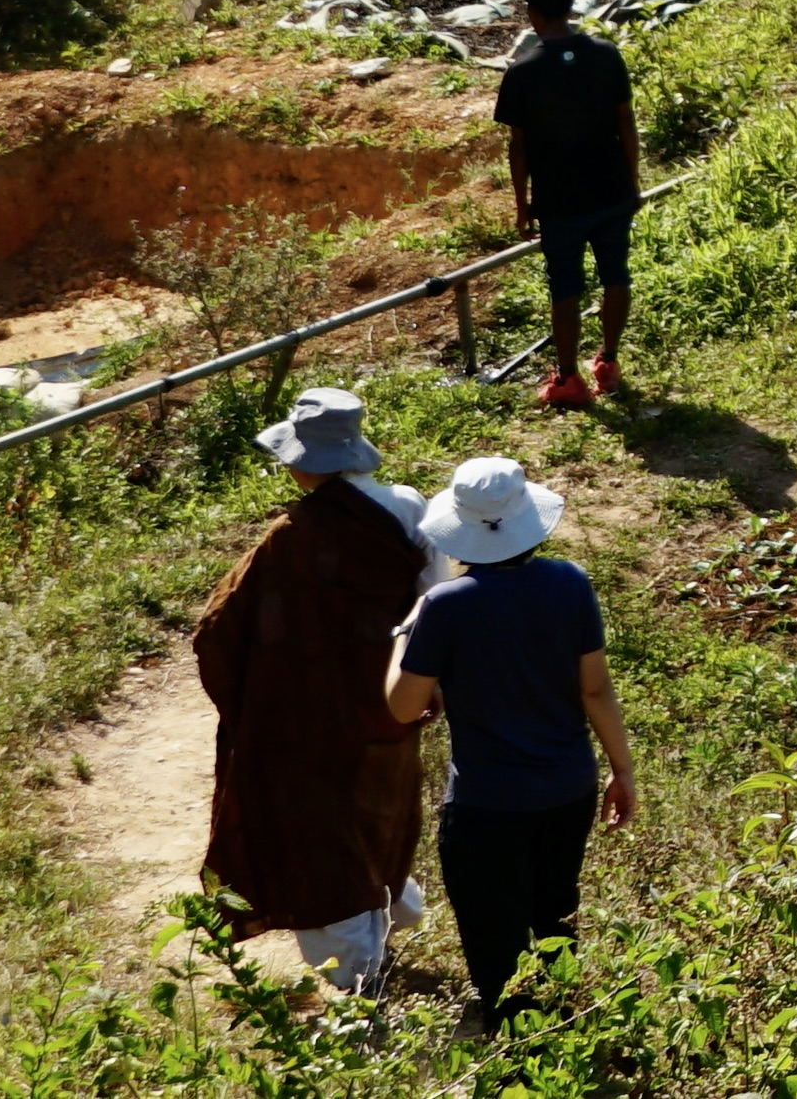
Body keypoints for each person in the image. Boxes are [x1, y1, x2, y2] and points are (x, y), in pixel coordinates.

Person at [189, 387, 433, 994]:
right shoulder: (407, 510)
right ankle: (392, 912)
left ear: (302, 461)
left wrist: (253, 700)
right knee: (378, 809)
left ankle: (358, 978)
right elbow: (435, 602)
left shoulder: (285, 539)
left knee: (318, 836)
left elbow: (218, 630)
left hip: (304, 722)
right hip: (388, 707)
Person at [384, 454, 633, 1033]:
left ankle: (516, 1041)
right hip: (568, 790)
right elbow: (595, 690)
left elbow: (402, 706)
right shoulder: (570, 582)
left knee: (495, 936)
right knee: (554, 914)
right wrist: (623, 772)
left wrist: (406, 631)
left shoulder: (446, 605)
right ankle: (561, 1031)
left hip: (486, 804)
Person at [496, 0, 638, 410]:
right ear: (571, 3)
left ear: (530, 10)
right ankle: (609, 363)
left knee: (565, 288)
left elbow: (517, 149)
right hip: (612, 189)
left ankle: (569, 379)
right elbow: (626, 123)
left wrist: (522, 206)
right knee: (616, 275)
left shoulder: (522, 73)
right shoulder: (606, 55)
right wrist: (633, 181)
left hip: (559, 202)